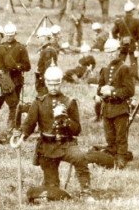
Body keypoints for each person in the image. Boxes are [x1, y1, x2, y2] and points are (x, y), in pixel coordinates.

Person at [12, 63, 92, 200]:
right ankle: (50, 187)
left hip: (66, 144)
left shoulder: (69, 102)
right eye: (50, 84)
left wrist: (65, 120)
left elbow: (77, 129)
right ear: (46, 83)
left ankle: (85, 192)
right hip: (47, 148)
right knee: (52, 189)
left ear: (61, 83)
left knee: (80, 158)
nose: (53, 87)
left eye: (56, 84)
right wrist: (21, 136)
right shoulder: (39, 102)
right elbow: (29, 124)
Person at [93, 37, 135, 166]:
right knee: (109, 136)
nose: (110, 55)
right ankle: (111, 155)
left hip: (120, 108)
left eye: (112, 51)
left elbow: (129, 90)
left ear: (118, 51)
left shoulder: (124, 68)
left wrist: (113, 92)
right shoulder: (104, 69)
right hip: (107, 108)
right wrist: (100, 92)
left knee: (121, 137)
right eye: (107, 52)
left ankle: (122, 157)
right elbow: (99, 87)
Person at [112, 0, 139, 80]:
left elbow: (113, 32)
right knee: (133, 61)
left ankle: (116, 76)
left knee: (121, 60)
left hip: (122, 44)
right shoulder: (136, 21)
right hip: (133, 44)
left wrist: (118, 39)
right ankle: (134, 78)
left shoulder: (119, 21)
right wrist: (135, 37)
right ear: (132, 11)